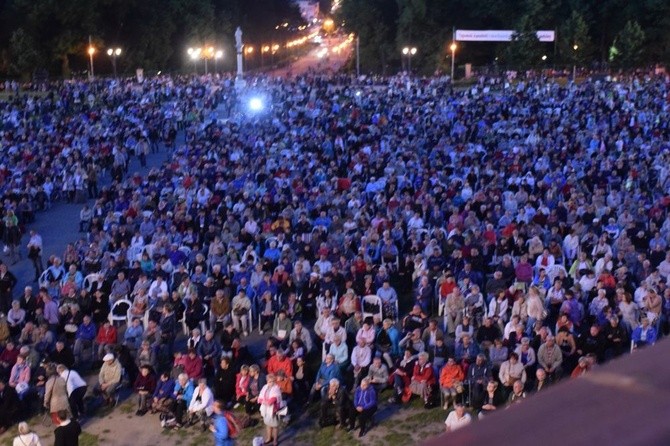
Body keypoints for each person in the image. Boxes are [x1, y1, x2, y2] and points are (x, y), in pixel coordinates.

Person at [258, 373, 283, 446]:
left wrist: (265, 402)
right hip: (266, 410)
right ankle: (269, 438)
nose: (271, 383)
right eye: (269, 381)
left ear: (274, 381)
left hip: (273, 410)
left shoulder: (276, 388)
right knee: (268, 424)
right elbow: (260, 397)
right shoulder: (265, 387)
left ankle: (275, 440)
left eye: (272, 381)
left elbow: (272, 400)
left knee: (275, 425)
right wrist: (263, 401)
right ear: (267, 381)